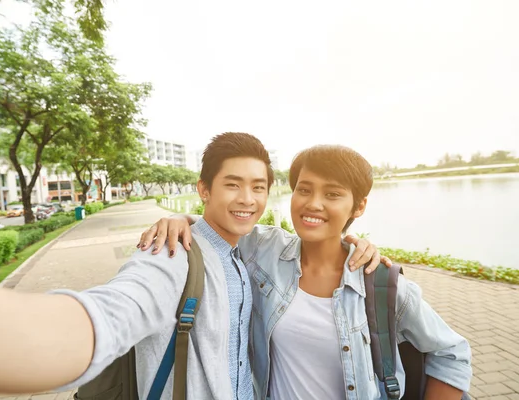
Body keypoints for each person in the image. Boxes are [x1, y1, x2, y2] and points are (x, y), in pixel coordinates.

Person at [0, 119, 387, 399]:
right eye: (231, 184)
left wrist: (355, 245)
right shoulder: (170, 255)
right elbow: (113, 312)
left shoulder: (252, 248)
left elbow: (317, 235)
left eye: (259, 187)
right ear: (203, 189)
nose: (247, 199)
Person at [139, 145, 472, 399]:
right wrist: (181, 221)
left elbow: (452, 354)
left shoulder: (383, 284)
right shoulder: (264, 251)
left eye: (332, 194)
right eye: (304, 189)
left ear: (358, 206)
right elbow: (220, 226)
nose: (313, 203)